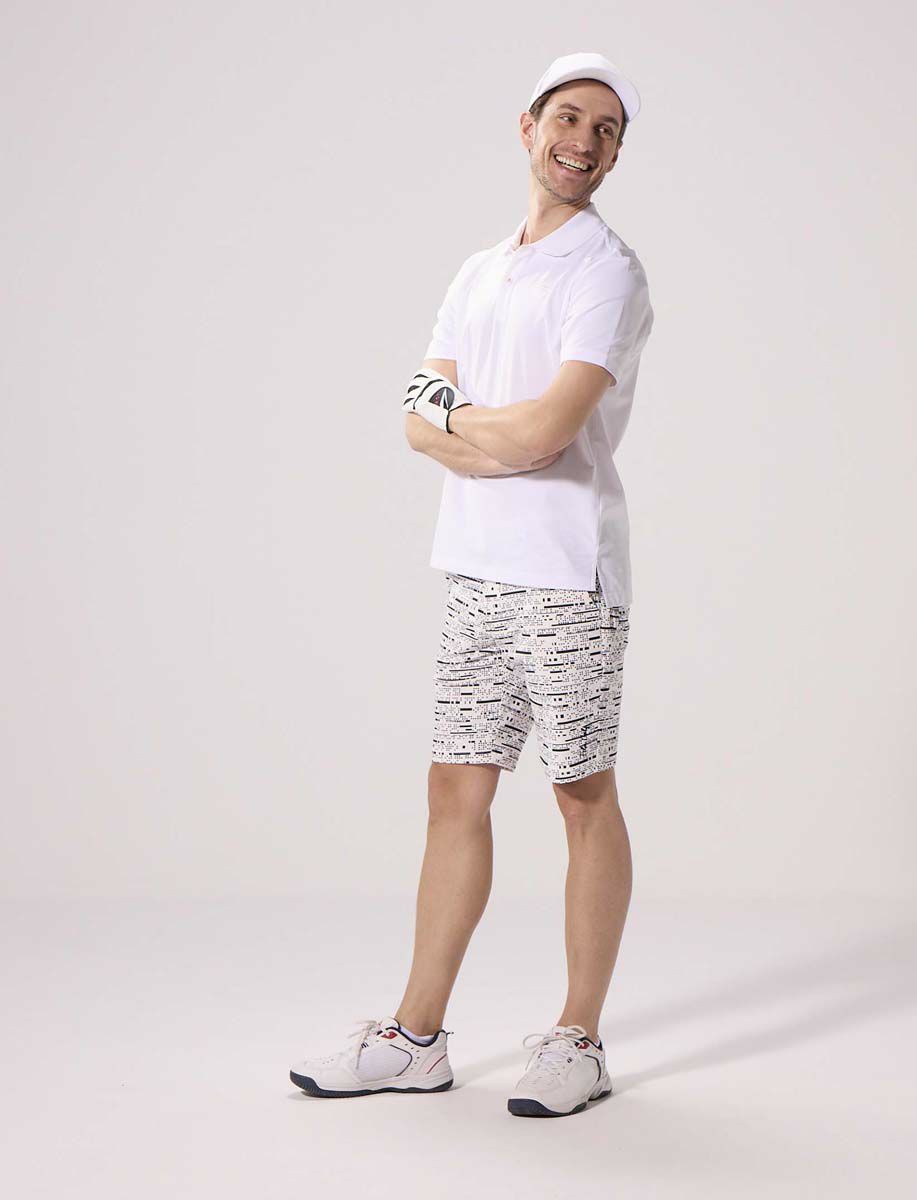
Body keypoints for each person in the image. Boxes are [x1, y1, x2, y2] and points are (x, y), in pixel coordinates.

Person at [290, 52, 654, 1118]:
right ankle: (416, 1039)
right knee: (455, 791)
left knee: (581, 797)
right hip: (476, 568)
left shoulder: (607, 271)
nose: (584, 142)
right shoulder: (478, 271)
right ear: (528, 126)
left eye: (607, 131)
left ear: (616, 155)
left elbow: (550, 431)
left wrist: (470, 426)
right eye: (569, 119)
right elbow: (416, 419)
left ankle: (579, 1040)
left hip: (568, 573)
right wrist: (488, 432)